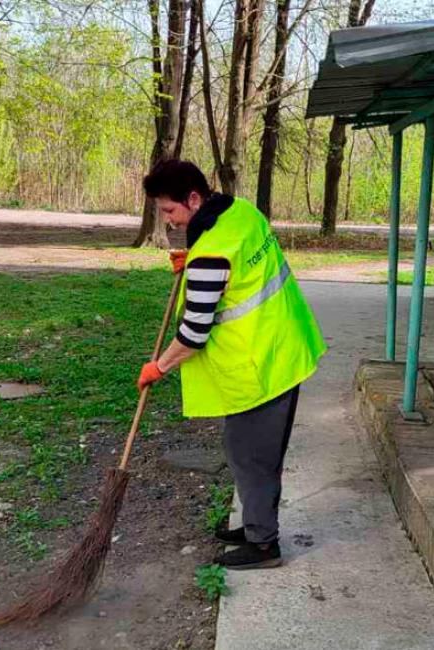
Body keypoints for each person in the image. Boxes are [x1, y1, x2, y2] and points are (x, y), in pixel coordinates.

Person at [136, 159, 326, 570]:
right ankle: (257, 522)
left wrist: (158, 368)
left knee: (250, 455)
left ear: (193, 198)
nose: (168, 223)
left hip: (260, 366)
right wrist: (194, 260)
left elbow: (192, 335)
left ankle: (263, 544)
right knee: (252, 451)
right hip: (285, 346)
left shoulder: (211, 256)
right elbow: (236, 267)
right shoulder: (240, 212)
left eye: (170, 211)